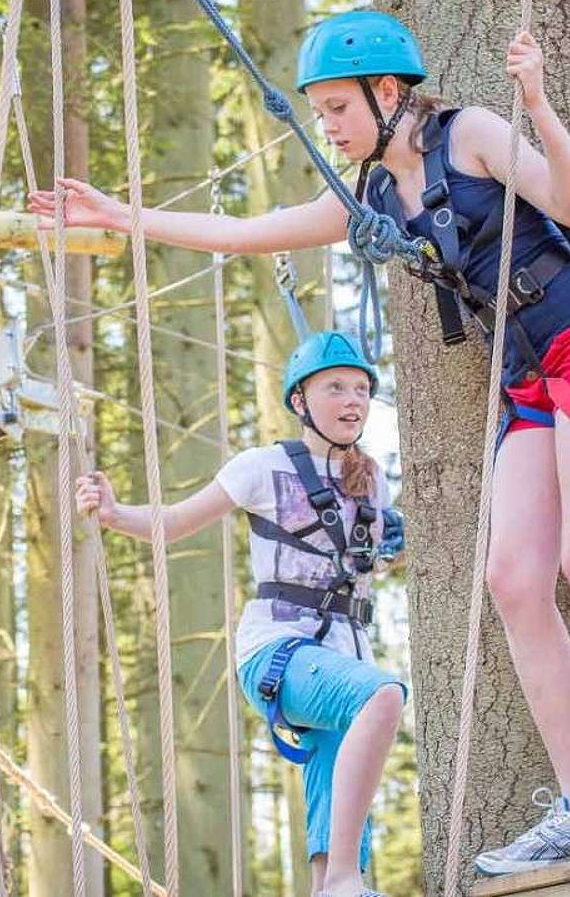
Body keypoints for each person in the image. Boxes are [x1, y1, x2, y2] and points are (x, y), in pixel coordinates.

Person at [38, 9, 570, 875]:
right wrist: (126, 217)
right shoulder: (367, 191)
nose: (326, 126)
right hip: (527, 381)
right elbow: (253, 233)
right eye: (318, 111)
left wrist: (540, 105)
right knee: (513, 579)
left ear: (388, 92)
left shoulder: (469, 134)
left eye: (335, 109)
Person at [77, 332, 404, 897]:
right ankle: (347, 877)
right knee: (382, 697)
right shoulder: (263, 466)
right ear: (300, 401)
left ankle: (334, 884)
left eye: (360, 390)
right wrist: (114, 513)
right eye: (335, 388)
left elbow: (370, 568)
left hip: (343, 657)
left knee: (340, 768)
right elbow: (176, 521)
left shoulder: (369, 481)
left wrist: (391, 537)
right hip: (279, 650)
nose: (352, 401)